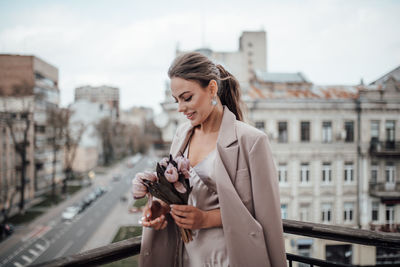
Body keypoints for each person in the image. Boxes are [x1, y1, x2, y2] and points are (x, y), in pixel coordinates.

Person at [139, 52, 287, 267]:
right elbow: (182, 194)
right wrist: (162, 207)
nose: (180, 108)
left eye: (187, 98)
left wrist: (205, 219)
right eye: (176, 100)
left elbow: (266, 217)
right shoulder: (181, 135)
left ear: (212, 89)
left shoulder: (252, 141)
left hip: (231, 258)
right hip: (186, 257)